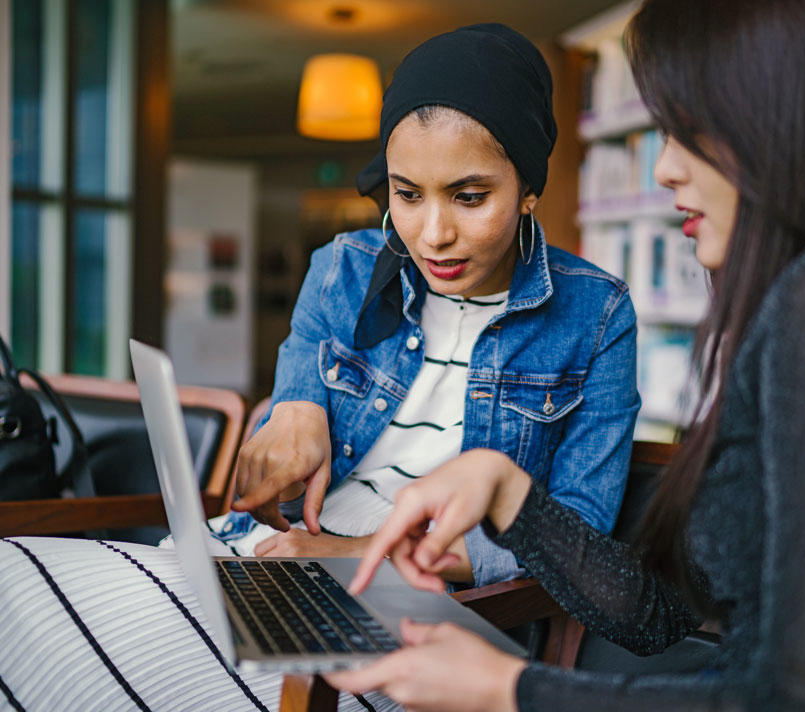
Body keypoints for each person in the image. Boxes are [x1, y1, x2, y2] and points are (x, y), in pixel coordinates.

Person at [324, 1, 805, 710]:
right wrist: (507, 492)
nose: (668, 168)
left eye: (688, 130)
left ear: (790, 109)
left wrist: (508, 690)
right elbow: (658, 618)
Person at [0, 24, 640, 712]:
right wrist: (295, 408)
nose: (432, 234)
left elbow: (575, 538)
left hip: (428, 605)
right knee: (12, 579)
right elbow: (290, 415)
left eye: (469, 196)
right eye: (408, 193)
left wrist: (356, 550)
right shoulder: (344, 267)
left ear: (529, 190)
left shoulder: (597, 315)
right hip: (273, 554)